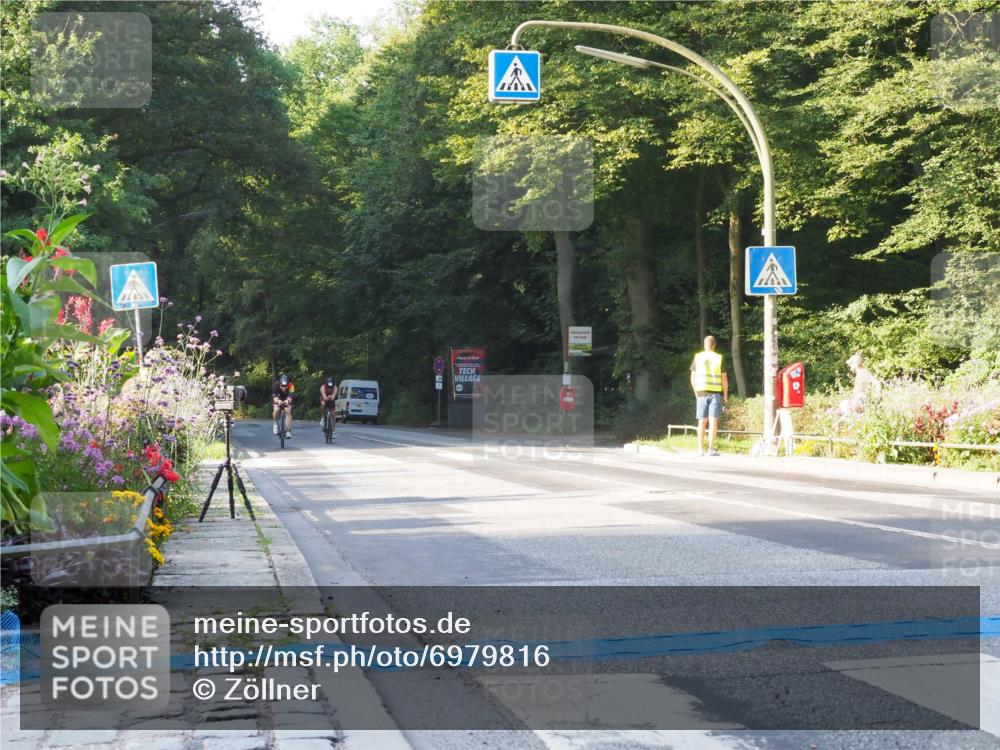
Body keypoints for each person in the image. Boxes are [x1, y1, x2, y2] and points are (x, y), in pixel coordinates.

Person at [690, 335, 729, 456]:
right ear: (714, 345)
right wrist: (725, 394)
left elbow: (692, 377)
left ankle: (700, 449)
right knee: (713, 420)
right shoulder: (719, 357)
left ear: (705, 344)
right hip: (715, 393)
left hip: (701, 392)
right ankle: (711, 449)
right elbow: (724, 378)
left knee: (702, 421)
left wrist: (695, 391)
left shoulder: (698, 357)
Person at [272, 373, 294, 438]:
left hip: (286, 398)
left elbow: (290, 397)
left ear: (288, 384)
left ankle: (288, 431)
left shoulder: (291, 386)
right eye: (282, 386)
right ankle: (275, 424)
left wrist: (287, 401)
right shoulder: (275, 385)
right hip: (278, 398)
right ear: (279, 384)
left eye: (285, 386)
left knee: (288, 411)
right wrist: (278, 401)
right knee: (276, 410)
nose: (284, 388)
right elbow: (275, 399)